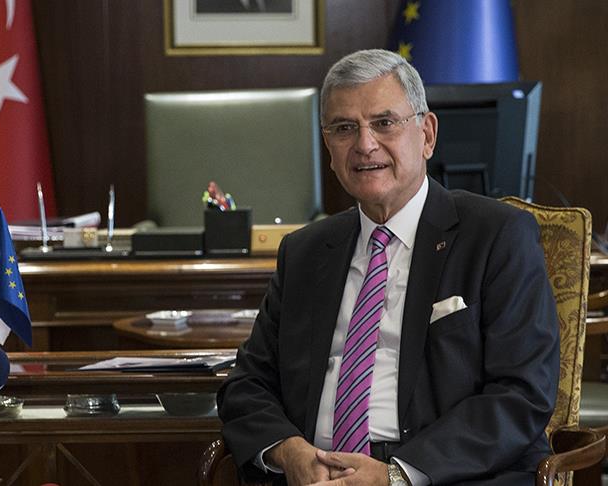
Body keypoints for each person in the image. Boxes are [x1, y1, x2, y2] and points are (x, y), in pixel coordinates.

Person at [217, 49, 559, 485]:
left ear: (427, 134)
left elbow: (521, 393)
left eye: (384, 122)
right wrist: (288, 451)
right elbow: (247, 383)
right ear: (329, 147)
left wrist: (397, 475)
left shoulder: (497, 236)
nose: (365, 144)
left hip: (445, 477)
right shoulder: (304, 252)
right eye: (344, 128)